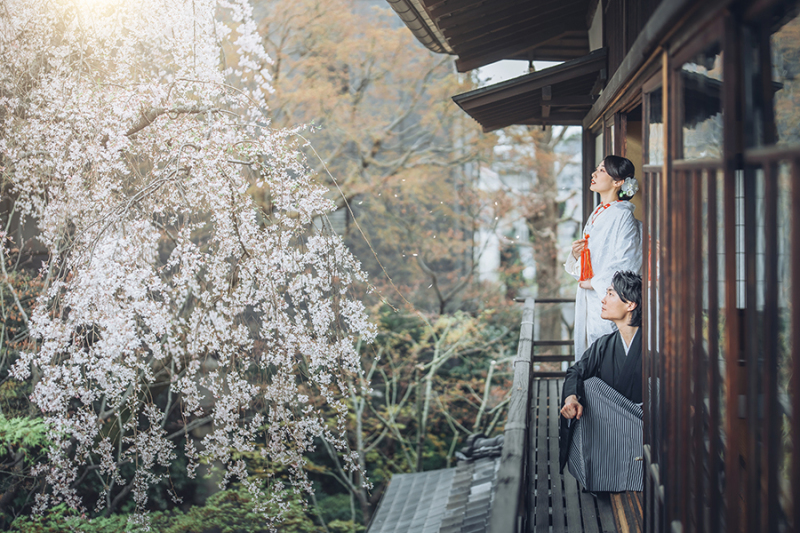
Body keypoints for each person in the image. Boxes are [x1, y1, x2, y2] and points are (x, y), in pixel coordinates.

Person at [558, 271, 643, 493]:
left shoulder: (655, 344)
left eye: (610, 294)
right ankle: (604, 474)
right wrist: (571, 398)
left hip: (646, 431)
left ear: (630, 304)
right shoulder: (605, 344)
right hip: (613, 432)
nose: (603, 299)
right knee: (584, 386)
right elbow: (576, 371)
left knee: (592, 387)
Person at [565, 155, 642, 361]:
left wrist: (595, 282)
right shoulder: (597, 212)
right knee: (591, 349)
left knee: (607, 351)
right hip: (590, 296)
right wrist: (575, 256)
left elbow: (628, 261)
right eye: (597, 169)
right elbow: (592, 259)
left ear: (618, 182)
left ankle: (605, 394)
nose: (594, 174)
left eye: (601, 171)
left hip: (607, 296)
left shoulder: (622, 215)